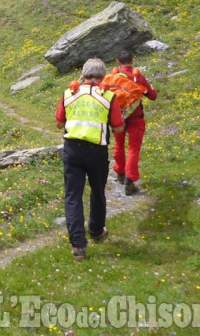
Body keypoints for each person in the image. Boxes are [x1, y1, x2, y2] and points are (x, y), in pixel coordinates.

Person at [55, 58, 125, 261]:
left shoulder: (69, 93)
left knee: (73, 196)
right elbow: (119, 127)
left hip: (73, 150)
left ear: (83, 75)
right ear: (103, 77)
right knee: (97, 191)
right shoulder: (109, 96)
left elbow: (59, 124)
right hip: (97, 151)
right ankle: (95, 230)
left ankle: (78, 246)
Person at [111, 50, 158, 195]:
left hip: (119, 117)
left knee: (119, 144)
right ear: (132, 61)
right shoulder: (137, 77)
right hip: (136, 117)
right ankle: (130, 182)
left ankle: (120, 173)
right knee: (133, 148)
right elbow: (152, 96)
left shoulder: (114, 77)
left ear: (118, 62)